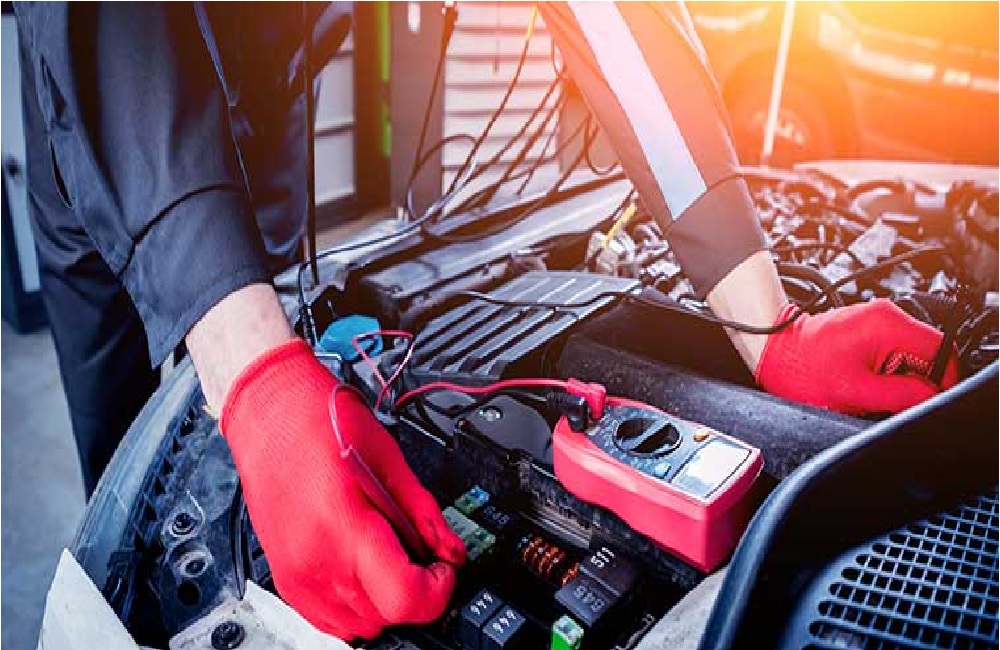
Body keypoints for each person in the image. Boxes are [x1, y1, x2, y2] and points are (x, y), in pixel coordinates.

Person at [15, 1, 957, 641]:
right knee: (138, 493)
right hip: (93, 90)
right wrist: (251, 377)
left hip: (265, 84)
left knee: (270, 299)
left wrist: (767, 324)